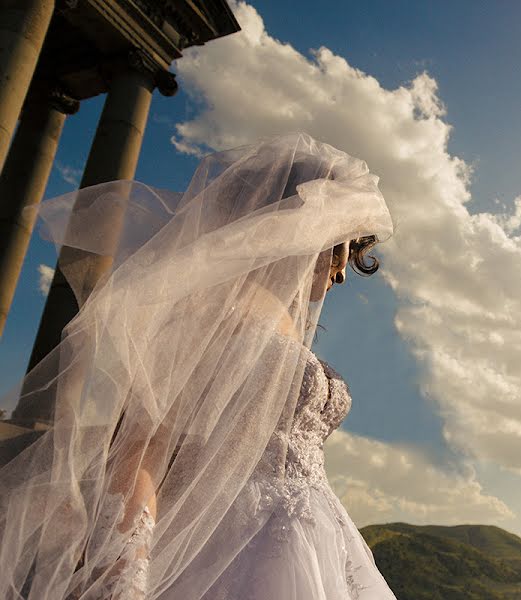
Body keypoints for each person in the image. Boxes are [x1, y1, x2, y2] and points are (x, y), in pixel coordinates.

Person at [0, 133, 398, 599]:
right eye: (339, 245)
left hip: (318, 542)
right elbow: (144, 445)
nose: (344, 269)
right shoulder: (206, 313)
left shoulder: (288, 324)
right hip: (222, 546)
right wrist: (124, 569)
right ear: (289, 224)